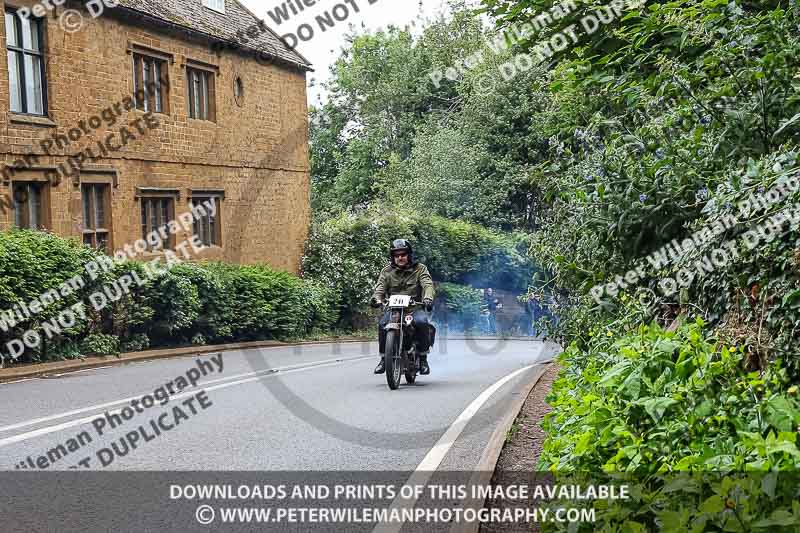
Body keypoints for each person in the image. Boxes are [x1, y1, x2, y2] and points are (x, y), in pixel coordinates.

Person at [369, 239, 435, 375]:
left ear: (409, 255)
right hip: (393, 310)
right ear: (393, 257)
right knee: (382, 324)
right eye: (396, 255)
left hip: (414, 309)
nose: (400, 257)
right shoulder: (386, 271)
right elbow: (380, 289)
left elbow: (428, 284)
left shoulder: (420, 269)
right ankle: (384, 358)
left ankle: (423, 359)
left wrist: (428, 298)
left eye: (403, 254)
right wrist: (376, 299)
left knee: (422, 323)